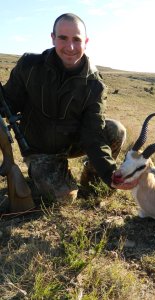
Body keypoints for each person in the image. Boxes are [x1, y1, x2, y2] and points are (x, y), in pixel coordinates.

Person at [2, 13, 126, 203]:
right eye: (63, 38)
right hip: (40, 149)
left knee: (115, 130)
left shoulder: (94, 84)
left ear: (86, 41)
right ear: (53, 38)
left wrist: (110, 175)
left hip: (73, 142)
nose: (70, 47)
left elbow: (92, 134)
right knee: (65, 198)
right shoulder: (29, 66)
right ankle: (44, 174)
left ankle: (90, 181)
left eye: (76, 40)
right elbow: (8, 102)